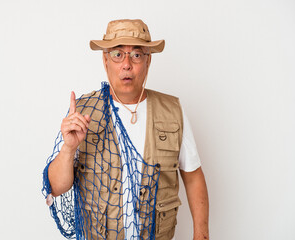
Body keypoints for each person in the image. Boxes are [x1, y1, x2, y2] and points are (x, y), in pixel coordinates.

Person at [43, 19, 209, 240]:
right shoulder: (82, 112)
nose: (127, 64)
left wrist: (202, 235)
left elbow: (193, 176)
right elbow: (56, 188)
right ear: (105, 60)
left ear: (148, 62)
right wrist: (69, 148)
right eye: (117, 54)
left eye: (137, 55)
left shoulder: (172, 111)